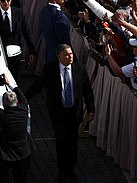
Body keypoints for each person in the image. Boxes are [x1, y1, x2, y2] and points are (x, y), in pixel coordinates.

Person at [25, 44, 94, 183]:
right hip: (58, 113)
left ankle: (71, 169)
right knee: (61, 142)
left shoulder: (79, 69)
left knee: (73, 143)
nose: (70, 57)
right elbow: (37, 86)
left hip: (74, 113)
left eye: (71, 54)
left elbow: (87, 91)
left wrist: (91, 109)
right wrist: (23, 97)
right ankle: (62, 170)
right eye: (66, 55)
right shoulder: (50, 69)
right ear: (59, 57)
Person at [0, 73, 32, 183]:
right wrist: (9, 83)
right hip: (23, 154)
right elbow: (22, 96)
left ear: (4, 104)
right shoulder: (24, 109)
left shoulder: (1, 116)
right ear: (17, 102)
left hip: (5, 157)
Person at [0, 0, 36, 78]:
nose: (6, 2)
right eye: (3, 0)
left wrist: (32, 51)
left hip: (15, 53)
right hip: (1, 54)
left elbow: (26, 32)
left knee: (14, 79)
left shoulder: (18, 13)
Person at [38, 0, 70, 64]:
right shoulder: (59, 16)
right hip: (61, 57)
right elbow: (64, 42)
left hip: (49, 54)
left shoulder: (44, 11)